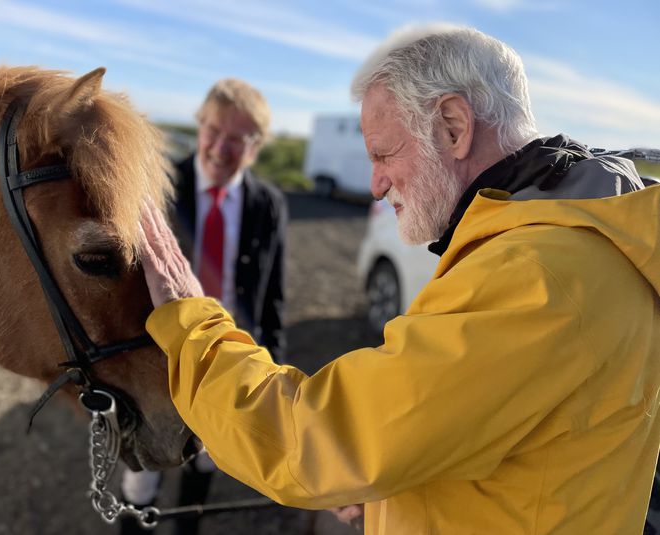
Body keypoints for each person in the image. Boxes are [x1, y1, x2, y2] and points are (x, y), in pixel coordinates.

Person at [137, 25, 660, 534]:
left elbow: (313, 442)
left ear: (453, 125)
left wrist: (190, 325)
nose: (375, 183)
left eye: (384, 153)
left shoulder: (539, 275)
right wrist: (390, 486)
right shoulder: (574, 239)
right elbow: (488, 441)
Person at [121, 78, 287, 535]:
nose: (221, 147)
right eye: (215, 130)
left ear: (255, 147)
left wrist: (271, 374)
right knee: (141, 482)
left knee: (204, 471)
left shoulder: (267, 205)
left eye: (239, 138)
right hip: (158, 362)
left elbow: (272, 299)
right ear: (200, 126)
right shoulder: (154, 193)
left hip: (226, 361)